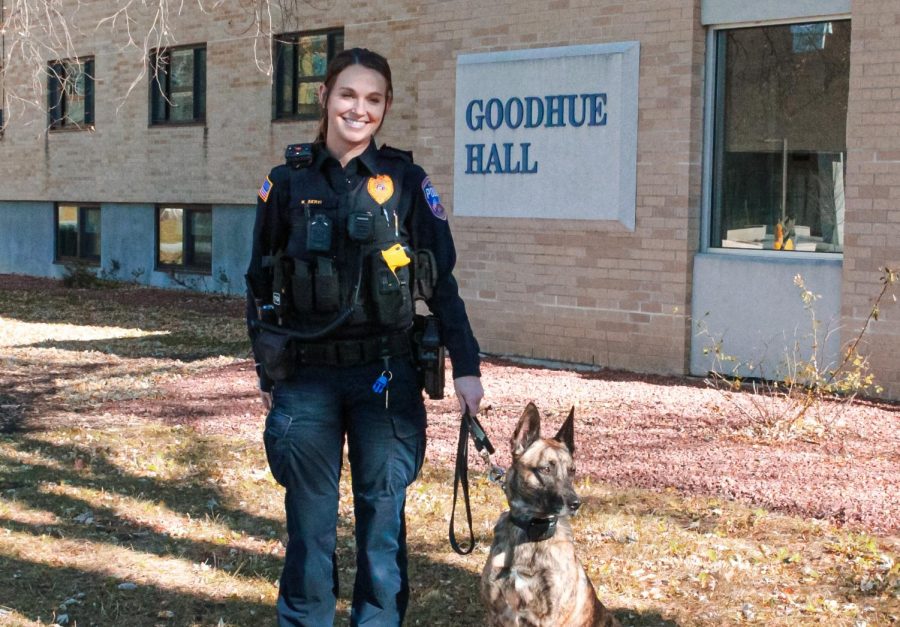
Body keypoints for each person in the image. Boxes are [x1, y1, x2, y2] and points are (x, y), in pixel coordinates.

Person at [245, 47, 484, 626]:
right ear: (325, 97)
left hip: (386, 375)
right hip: (305, 377)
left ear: (386, 107)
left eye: (373, 99)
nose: (360, 109)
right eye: (348, 94)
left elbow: (442, 283)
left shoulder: (406, 180)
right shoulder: (285, 183)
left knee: (382, 519)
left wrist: (468, 367)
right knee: (309, 524)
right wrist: (267, 371)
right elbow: (258, 284)